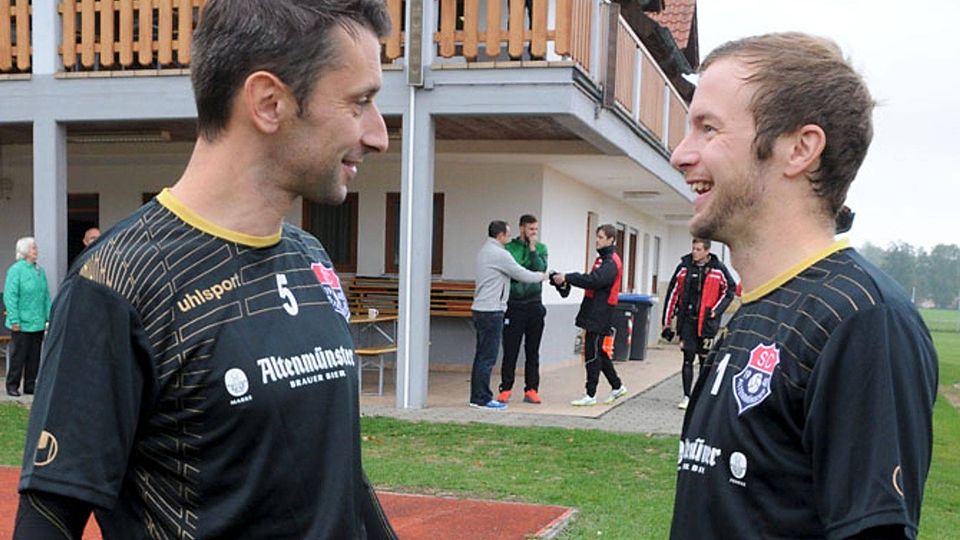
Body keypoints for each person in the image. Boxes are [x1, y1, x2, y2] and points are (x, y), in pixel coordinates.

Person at [14, 1, 398, 538]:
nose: (378, 134)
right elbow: (49, 519)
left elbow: (341, 481)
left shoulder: (310, 259)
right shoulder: (116, 284)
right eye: (360, 103)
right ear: (269, 102)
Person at [668, 32, 938, 539]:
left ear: (799, 149)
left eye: (708, 128)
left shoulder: (862, 321)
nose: (681, 154)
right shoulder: (756, 304)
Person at [470, 220, 545, 411]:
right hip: (491, 311)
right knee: (487, 357)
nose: (509, 237)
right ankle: (482, 399)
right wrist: (542, 276)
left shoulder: (484, 251)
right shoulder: (499, 254)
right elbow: (520, 273)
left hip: (481, 309)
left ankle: (477, 396)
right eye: (507, 234)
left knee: (481, 356)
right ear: (501, 235)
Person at [551, 224, 628, 406]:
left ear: (611, 240)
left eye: (601, 237)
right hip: (593, 310)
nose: (597, 240)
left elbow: (595, 281)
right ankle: (617, 386)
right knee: (599, 351)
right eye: (596, 236)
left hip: (601, 313)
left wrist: (569, 277)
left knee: (592, 352)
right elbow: (590, 280)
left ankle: (590, 394)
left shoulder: (611, 262)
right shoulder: (602, 259)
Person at [660, 237, 736, 410]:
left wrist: (716, 310)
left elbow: (729, 290)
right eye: (693, 248)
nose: (694, 252)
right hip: (687, 322)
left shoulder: (718, 269)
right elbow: (673, 293)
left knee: (704, 360)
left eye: (698, 249)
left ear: (707, 251)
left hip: (707, 323)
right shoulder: (684, 268)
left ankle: (701, 397)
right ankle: (687, 396)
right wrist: (667, 322)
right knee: (687, 358)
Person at [497, 214, 548, 405]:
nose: (534, 233)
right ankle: (506, 388)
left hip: (534, 304)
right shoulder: (509, 247)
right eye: (530, 229)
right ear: (522, 228)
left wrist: (533, 250)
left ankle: (532, 389)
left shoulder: (541, 248)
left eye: (536, 229)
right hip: (514, 305)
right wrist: (526, 274)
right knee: (510, 350)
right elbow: (512, 271)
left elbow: (541, 270)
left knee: (532, 351)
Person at [3, 237, 51, 398]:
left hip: (37, 322)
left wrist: (48, 317)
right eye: (33, 248)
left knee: (34, 356)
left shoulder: (40, 271)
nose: (36, 251)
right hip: (22, 323)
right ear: (24, 251)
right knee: (19, 356)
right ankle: (12, 385)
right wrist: (14, 320)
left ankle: (30, 385)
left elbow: (45, 296)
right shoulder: (16, 270)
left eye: (35, 248)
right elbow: (10, 296)